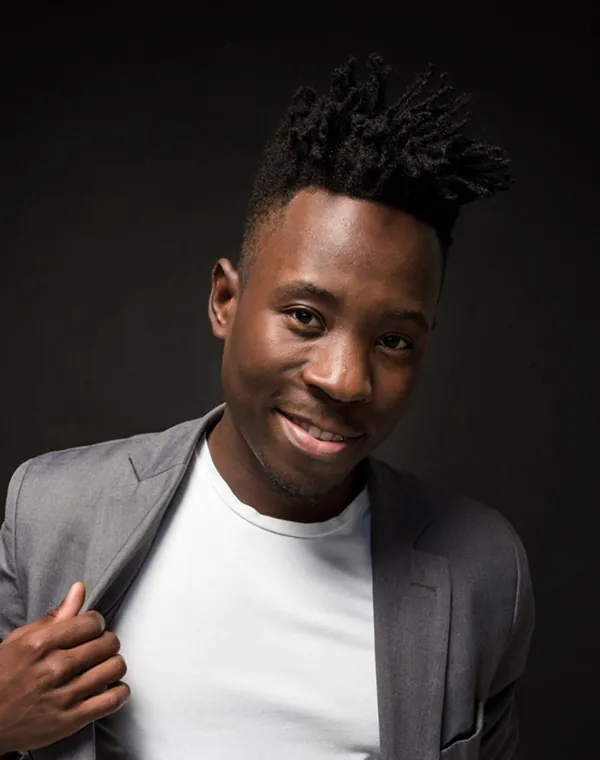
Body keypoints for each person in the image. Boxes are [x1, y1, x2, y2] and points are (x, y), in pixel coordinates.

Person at [0, 54, 535, 760]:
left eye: (394, 340)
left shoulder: (483, 568)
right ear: (225, 300)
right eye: (306, 317)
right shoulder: (50, 511)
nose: (346, 380)